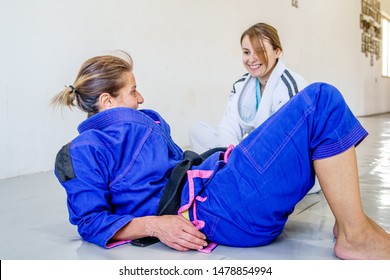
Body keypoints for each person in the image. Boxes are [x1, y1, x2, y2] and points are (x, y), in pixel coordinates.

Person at [52, 51, 390, 259]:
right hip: (220, 208)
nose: (140, 98)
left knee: (318, 106)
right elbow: (90, 221)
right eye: (133, 90)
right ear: (107, 101)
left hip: (220, 186)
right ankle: (355, 236)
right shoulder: (82, 151)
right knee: (320, 100)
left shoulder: (144, 125)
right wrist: (158, 226)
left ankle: (350, 225)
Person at [189, 22, 321, 194]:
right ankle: (238, 173)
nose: (251, 59)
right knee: (198, 131)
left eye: (260, 51)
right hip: (251, 156)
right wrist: (237, 159)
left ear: (277, 51)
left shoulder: (292, 85)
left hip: (283, 158)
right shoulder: (241, 85)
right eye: (246, 52)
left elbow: (287, 142)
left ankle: (243, 176)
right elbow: (228, 128)